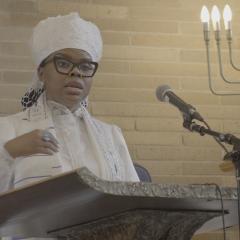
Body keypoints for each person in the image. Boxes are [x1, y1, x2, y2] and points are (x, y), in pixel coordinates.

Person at [0, 12, 139, 194]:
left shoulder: (111, 135)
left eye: (85, 66)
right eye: (64, 64)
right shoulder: (8, 128)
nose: (76, 73)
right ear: (41, 72)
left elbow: (135, 196)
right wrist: (9, 152)